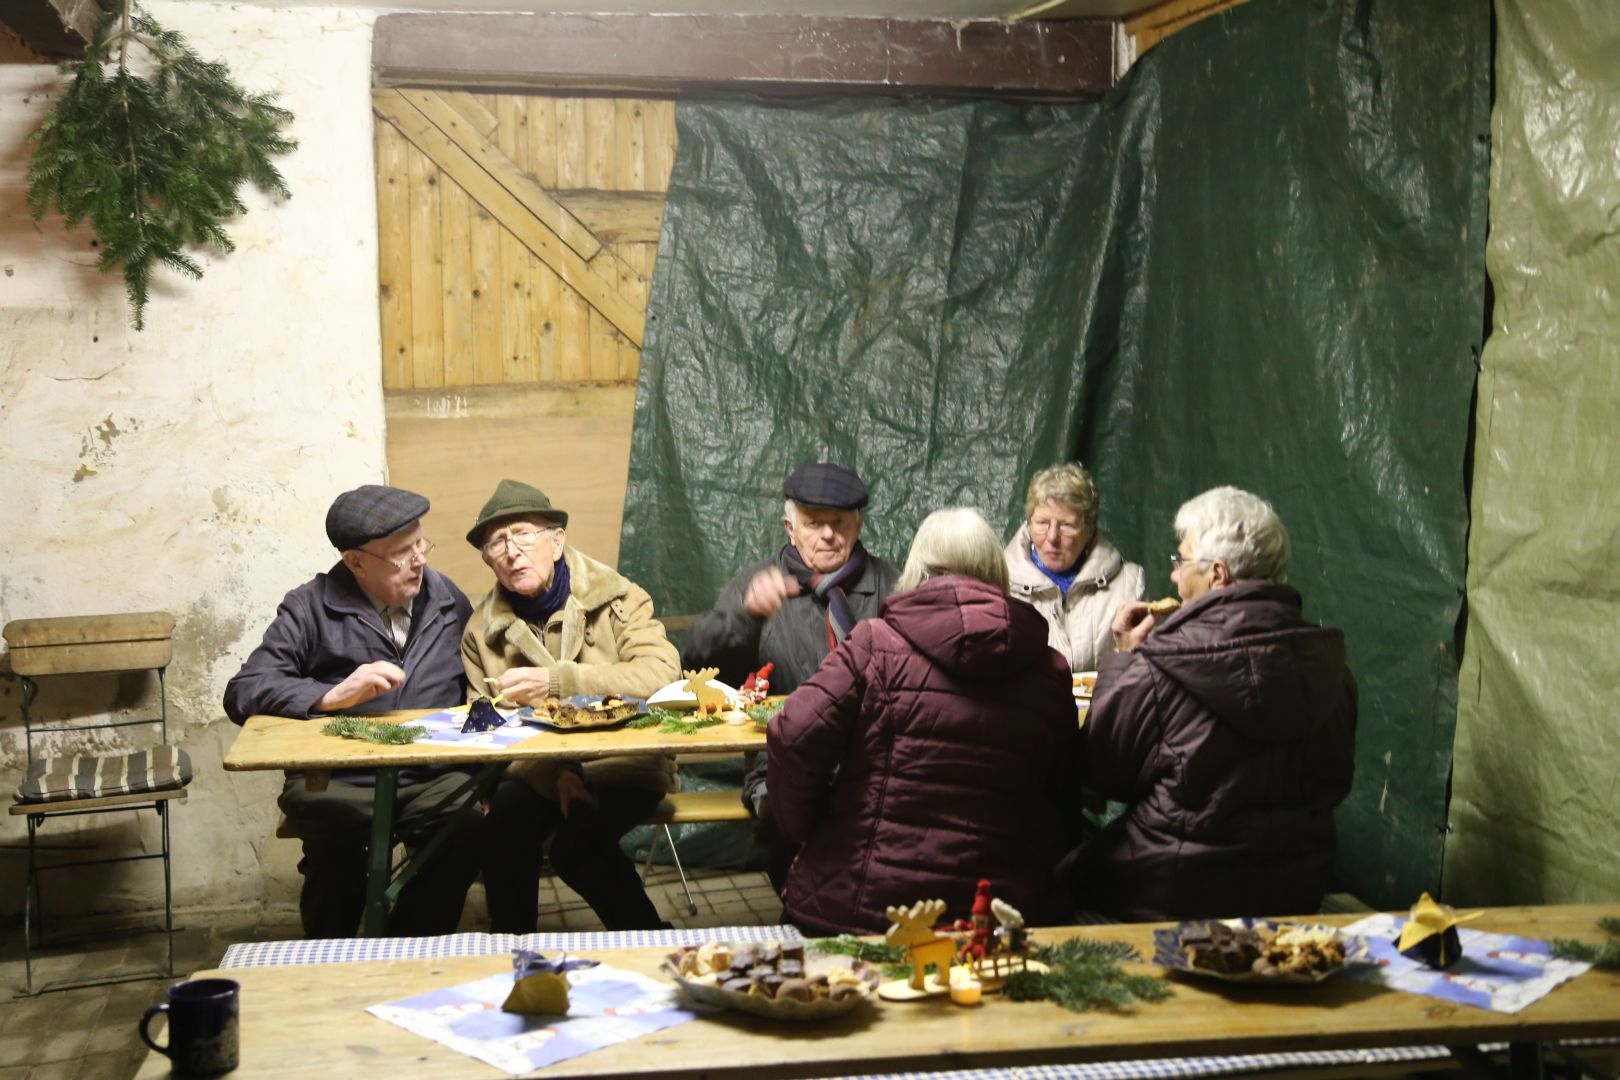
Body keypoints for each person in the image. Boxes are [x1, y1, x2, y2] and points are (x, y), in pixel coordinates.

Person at [767, 507, 1080, 936]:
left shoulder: (872, 646)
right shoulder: (1049, 669)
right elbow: (1063, 790)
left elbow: (793, 733)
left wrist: (811, 824)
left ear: (918, 569)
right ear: (996, 571)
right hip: (998, 912)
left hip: (867, 910)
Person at [1067, 486, 1357, 921]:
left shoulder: (1162, 666)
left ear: (1217, 574)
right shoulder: (1330, 669)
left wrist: (1123, 659)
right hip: (1295, 889)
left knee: (1060, 878)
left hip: (1172, 892)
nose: (1174, 578)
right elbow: (1336, 780)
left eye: (1181, 562)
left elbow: (1100, 770)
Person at [224, 484, 481, 938]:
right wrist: (328, 696)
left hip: (430, 774)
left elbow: (479, 673)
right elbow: (244, 690)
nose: (420, 560)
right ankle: (331, 960)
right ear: (355, 561)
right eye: (402, 554)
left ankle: (403, 956)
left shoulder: (444, 597)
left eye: (421, 544)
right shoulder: (310, 607)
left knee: (464, 832)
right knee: (335, 854)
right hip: (341, 777)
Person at [461, 479, 681, 933]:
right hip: (538, 770)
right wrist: (553, 774)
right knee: (503, 819)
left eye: (522, 533)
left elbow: (662, 675)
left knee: (577, 845)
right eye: (495, 542)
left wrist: (561, 682)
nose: (510, 551)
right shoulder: (480, 632)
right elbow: (485, 726)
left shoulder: (618, 598)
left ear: (556, 541)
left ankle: (652, 946)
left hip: (625, 761)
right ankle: (513, 958)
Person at [681, 462, 901, 891]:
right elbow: (693, 667)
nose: (827, 535)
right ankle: (806, 916)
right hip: (781, 762)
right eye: (814, 524)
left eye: (838, 524)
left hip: (872, 760)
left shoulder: (891, 585)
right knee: (789, 822)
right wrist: (744, 617)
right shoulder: (757, 583)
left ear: (858, 525)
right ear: (790, 528)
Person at [1004, 462, 1145, 672]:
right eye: (1042, 523)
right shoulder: (998, 580)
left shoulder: (1129, 583)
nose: (1052, 537)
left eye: (1067, 526)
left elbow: (1144, 669)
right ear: (1029, 523)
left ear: (1089, 531)